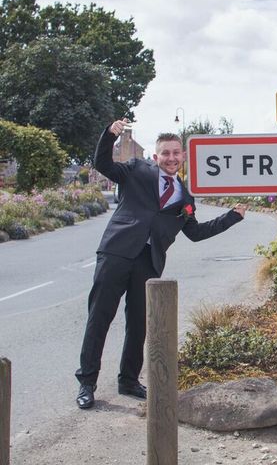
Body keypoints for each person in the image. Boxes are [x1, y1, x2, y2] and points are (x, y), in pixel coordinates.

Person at [75, 119, 247, 409]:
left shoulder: (185, 196)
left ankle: (128, 381)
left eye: (175, 153)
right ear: (156, 158)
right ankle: (87, 383)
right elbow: (103, 163)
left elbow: (195, 233)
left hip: (149, 261)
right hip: (116, 253)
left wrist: (232, 217)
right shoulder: (135, 170)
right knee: (99, 318)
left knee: (139, 324)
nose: (170, 158)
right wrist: (109, 135)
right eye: (165, 153)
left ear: (183, 157)